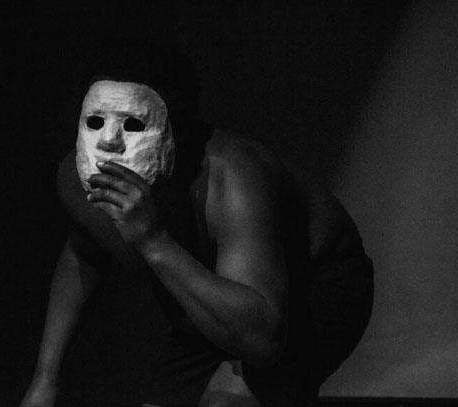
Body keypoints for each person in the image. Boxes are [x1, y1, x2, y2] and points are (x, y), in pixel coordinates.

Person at [19, 39, 373, 407]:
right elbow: (84, 252)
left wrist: (152, 240)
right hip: (212, 296)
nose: (109, 142)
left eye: (133, 124)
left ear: (178, 131)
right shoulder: (74, 179)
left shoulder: (230, 178)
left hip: (311, 286)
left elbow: (261, 341)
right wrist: (45, 381)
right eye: (95, 121)